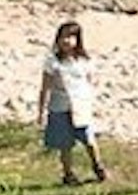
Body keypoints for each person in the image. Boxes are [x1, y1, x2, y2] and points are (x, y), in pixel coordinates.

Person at [38, 18, 107, 185]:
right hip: (59, 106)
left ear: (78, 40)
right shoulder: (52, 62)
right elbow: (45, 87)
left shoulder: (84, 61)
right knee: (65, 144)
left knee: (89, 140)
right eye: (63, 37)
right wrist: (41, 110)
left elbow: (89, 82)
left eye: (70, 37)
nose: (66, 41)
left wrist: (93, 103)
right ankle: (68, 174)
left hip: (81, 106)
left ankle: (98, 166)